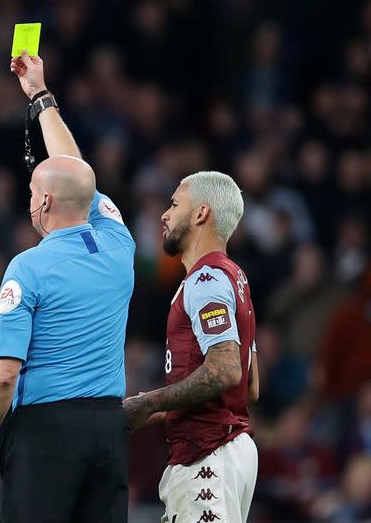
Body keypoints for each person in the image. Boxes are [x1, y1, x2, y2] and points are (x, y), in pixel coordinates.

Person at [0, 51, 135, 522]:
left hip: (45, 433)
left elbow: (3, 375)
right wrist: (40, 96)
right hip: (108, 427)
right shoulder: (118, 243)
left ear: (42, 201)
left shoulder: (27, 268)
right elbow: (76, 171)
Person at [123, 170, 259, 523]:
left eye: (174, 204)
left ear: (201, 213)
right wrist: (154, 413)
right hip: (231, 449)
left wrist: (149, 400)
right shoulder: (235, 278)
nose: (164, 215)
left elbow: (226, 370)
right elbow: (250, 384)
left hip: (207, 453)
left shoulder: (205, 280)